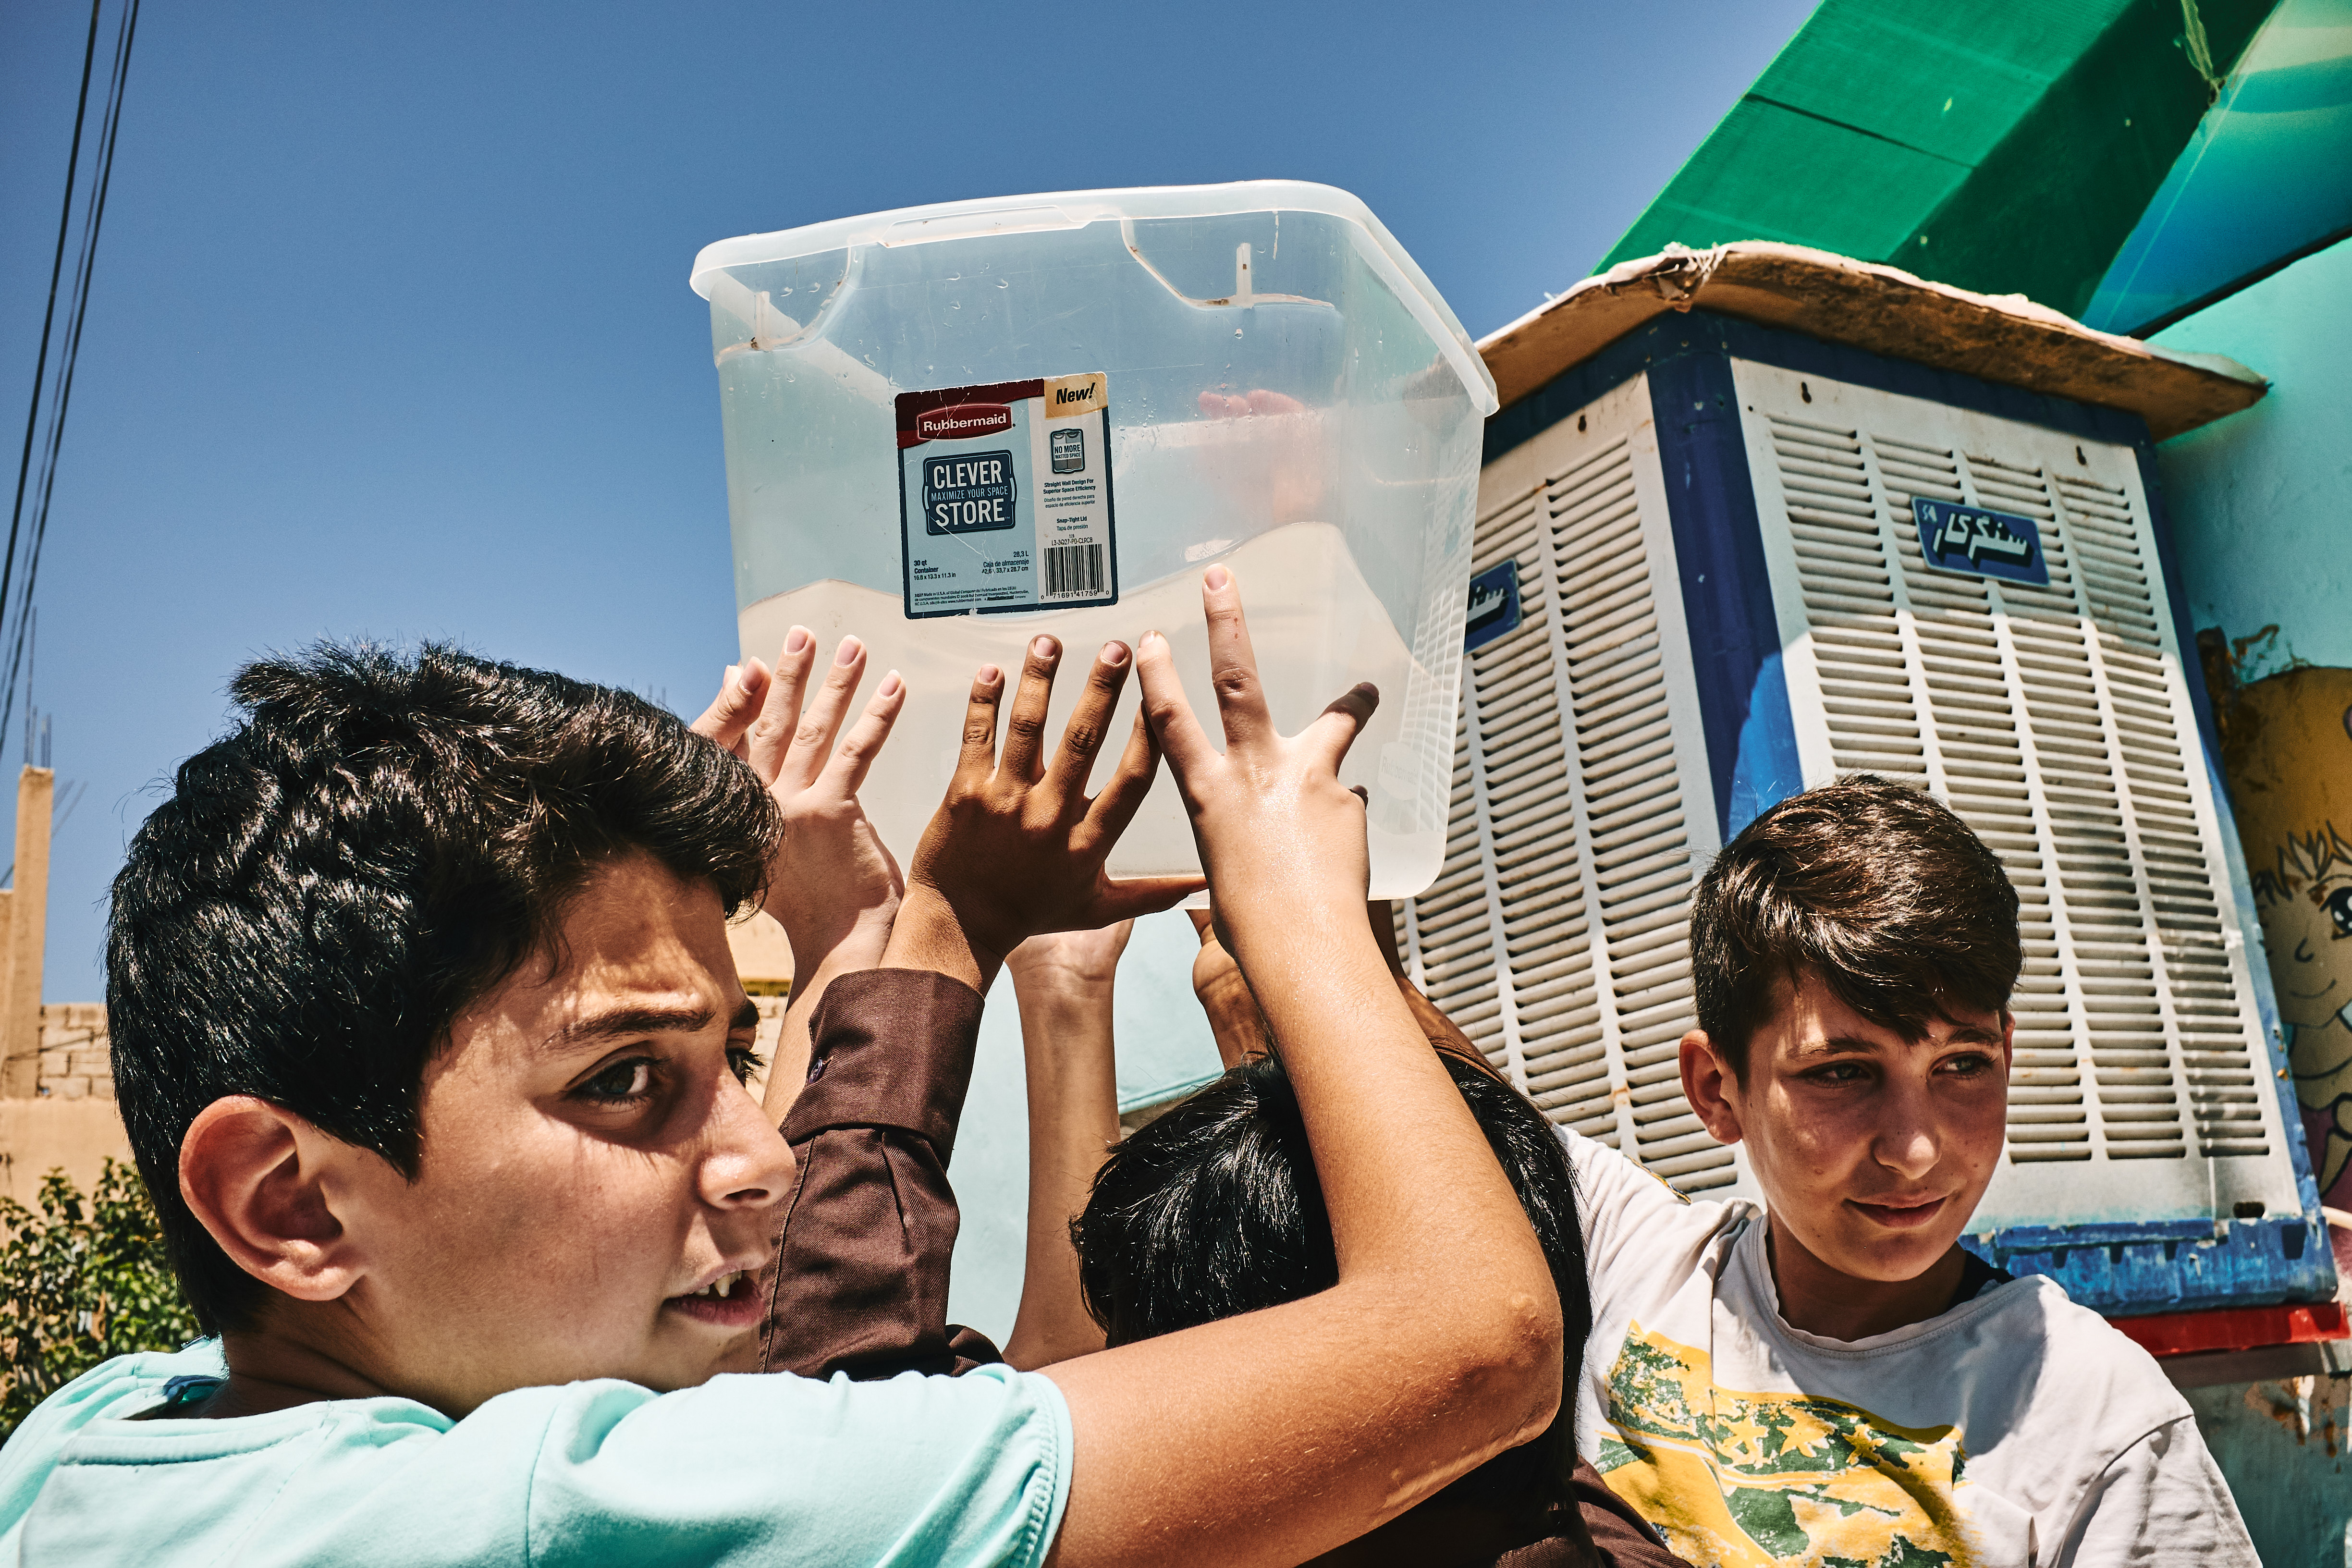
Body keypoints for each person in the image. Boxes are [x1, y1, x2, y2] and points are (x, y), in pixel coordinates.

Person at [0, 568, 1566, 1568]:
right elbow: (1473, 1340)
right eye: (624, 1080)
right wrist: (1299, 910)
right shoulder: (559, 1514)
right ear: (289, 1201)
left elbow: (789, 1337)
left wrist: (870, 934)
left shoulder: (99, 1438)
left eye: (732, 1051)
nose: (756, 1156)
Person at [1565, 775, 2257, 1567]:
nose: (1916, 1150)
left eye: (1963, 1065)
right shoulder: (1628, 1258)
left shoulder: (2100, 1422)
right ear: (1718, 1091)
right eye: (1842, 1073)